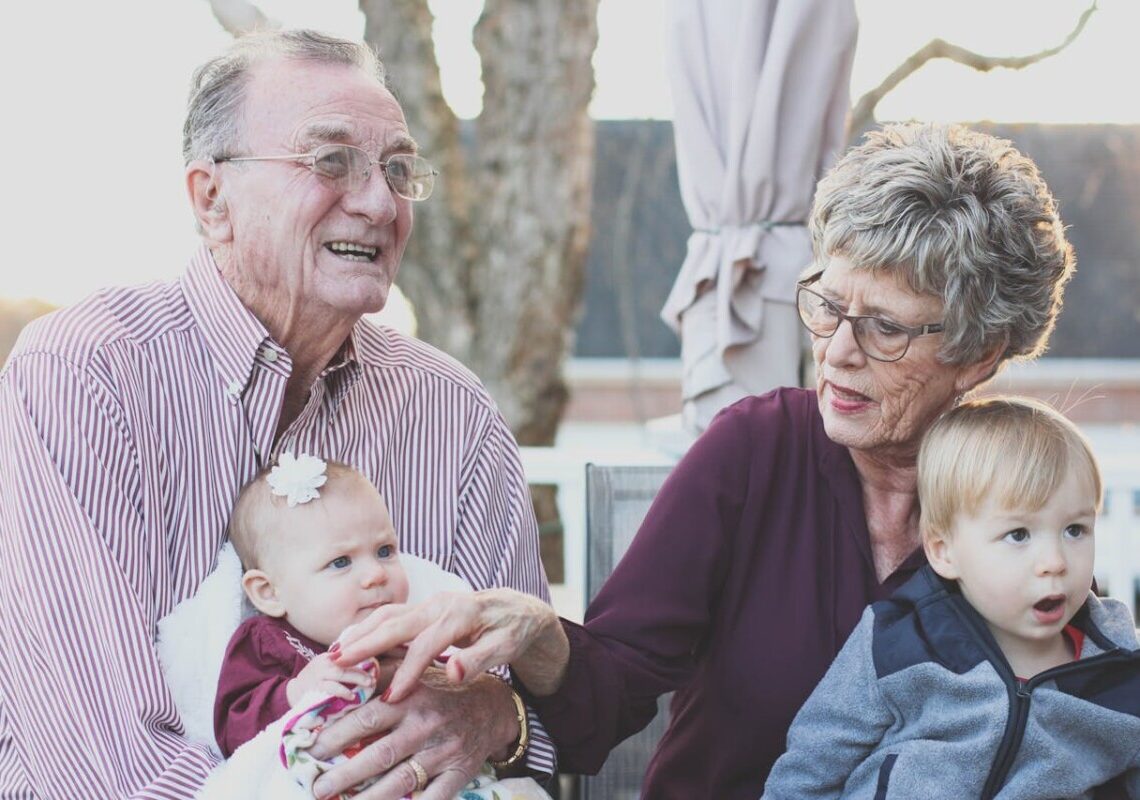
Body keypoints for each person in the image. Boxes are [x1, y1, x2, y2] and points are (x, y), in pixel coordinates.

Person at [322, 122, 1088, 799]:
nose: (837, 352)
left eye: (885, 327)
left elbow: (1076, 716)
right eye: (826, 304)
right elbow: (603, 703)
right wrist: (538, 629)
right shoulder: (755, 453)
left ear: (978, 354)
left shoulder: (1028, 494)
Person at [0, 29, 554, 799]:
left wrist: (495, 714)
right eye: (330, 162)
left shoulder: (452, 412)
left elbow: (533, 709)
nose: (377, 201)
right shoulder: (86, 374)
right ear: (211, 198)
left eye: (397, 169)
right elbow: (96, 759)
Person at [761, 397, 1140, 799]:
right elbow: (811, 766)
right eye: (1018, 535)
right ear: (944, 551)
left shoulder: (1119, 669)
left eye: (1075, 530)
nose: (1054, 562)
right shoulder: (899, 643)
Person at [214, 454, 409, 758]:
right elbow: (232, 730)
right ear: (269, 593)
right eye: (340, 562)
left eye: (385, 550)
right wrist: (295, 693)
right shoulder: (269, 642)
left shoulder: (409, 632)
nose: (377, 574)